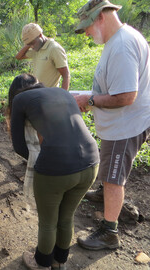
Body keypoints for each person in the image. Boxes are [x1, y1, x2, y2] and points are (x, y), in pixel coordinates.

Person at [73, 0, 150, 251]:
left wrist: (91, 100)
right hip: (123, 122)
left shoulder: (122, 45)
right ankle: (104, 192)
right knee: (110, 172)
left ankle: (109, 232)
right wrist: (86, 96)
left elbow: (127, 96)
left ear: (100, 18)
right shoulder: (120, 39)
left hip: (125, 126)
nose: (85, 32)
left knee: (114, 177)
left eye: (86, 26)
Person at [8, 74, 99, 269]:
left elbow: (18, 146)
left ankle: (42, 263)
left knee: (48, 223)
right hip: (91, 162)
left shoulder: (19, 99)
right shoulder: (60, 92)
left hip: (56, 167)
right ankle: (60, 262)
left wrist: (41, 161)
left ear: (14, 92)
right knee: (66, 217)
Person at [15, 23, 70, 90]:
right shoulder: (36, 48)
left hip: (49, 94)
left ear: (40, 35)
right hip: (37, 92)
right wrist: (28, 43)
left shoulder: (54, 49)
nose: (31, 47)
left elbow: (66, 75)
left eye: (33, 43)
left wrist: (63, 96)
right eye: (29, 45)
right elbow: (19, 57)